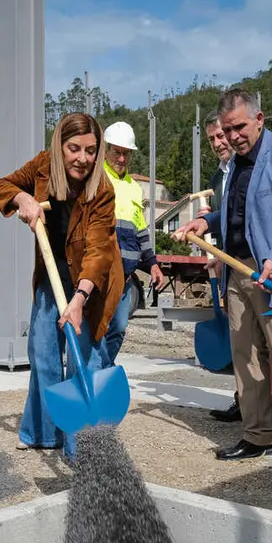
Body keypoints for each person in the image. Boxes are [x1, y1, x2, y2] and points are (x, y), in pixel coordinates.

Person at [175, 89, 272, 461]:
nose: (233, 135)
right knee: (245, 357)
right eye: (227, 129)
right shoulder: (235, 166)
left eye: (239, 126)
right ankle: (258, 434)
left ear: (259, 119)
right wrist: (205, 221)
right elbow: (235, 213)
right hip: (237, 271)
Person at [0, 112, 124, 460]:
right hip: (51, 277)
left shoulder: (102, 190)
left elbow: (98, 253)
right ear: (59, 146)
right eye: (74, 148)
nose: (83, 158)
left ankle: (82, 449)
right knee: (44, 356)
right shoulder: (43, 166)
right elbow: (0, 188)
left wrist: (79, 298)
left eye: (91, 151)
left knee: (83, 361)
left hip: (91, 285)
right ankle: (43, 434)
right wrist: (23, 199)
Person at [199, 112, 272, 426]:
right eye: (213, 139)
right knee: (242, 341)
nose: (220, 142)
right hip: (230, 264)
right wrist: (217, 252)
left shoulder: (255, 166)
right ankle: (245, 403)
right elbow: (226, 219)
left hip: (260, 265)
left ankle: (269, 410)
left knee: (267, 341)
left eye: (223, 134)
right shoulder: (218, 177)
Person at [100, 121, 166, 366]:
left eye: (126, 153)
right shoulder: (96, 180)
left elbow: (141, 231)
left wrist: (154, 265)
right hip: (100, 275)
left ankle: (101, 371)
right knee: (94, 331)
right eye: (116, 151)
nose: (121, 157)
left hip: (125, 277)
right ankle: (92, 376)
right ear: (105, 151)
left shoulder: (133, 189)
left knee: (117, 328)